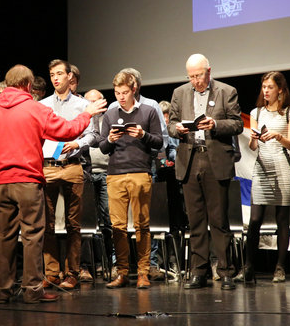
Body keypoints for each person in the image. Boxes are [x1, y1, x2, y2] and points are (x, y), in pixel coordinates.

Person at [0, 64, 107, 304]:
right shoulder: (35, 108)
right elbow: (68, 130)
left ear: (5, 84)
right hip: (27, 182)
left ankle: (3, 290)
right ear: (28, 85)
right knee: (31, 235)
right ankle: (32, 290)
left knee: (3, 236)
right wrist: (87, 112)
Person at [168, 54, 243, 291]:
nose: (195, 81)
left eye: (199, 75)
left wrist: (215, 125)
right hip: (189, 159)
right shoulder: (180, 93)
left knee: (219, 219)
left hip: (215, 160)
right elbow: (170, 124)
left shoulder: (226, 91)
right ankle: (199, 272)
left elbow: (237, 123)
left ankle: (225, 271)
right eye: (191, 76)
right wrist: (177, 129)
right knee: (196, 220)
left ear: (208, 71)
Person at [100, 71, 163, 289]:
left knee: (141, 225)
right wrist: (109, 138)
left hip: (140, 172)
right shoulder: (109, 114)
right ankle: (123, 272)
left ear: (133, 89)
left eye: (124, 92)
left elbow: (159, 142)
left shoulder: (148, 111)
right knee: (117, 226)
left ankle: (143, 272)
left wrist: (142, 135)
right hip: (115, 173)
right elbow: (102, 146)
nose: (121, 97)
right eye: (117, 93)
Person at [237, 71, 290, 284]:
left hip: (282, 168)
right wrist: (255, 139)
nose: (265, 91)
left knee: (283, 220)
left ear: (280, 89)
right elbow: (254, 147)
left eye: (270, 87)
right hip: (262, 168)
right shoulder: (256, 111)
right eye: (263, 87)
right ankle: (248, 267)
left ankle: (280, 267)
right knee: (254, 220)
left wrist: (277, 135)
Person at [40, 59, 96, 289]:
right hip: (49, 167)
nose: (55, 78)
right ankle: (52, 272)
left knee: (74, 223)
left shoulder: (82, 105)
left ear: (69, 76)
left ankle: (72, 272)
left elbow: (92, 135)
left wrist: (77, 144)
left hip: (73, 165)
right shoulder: (42, 104)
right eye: (52, 74)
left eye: (59, 73)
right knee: (47, 222)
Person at [83, 89, 115, 279]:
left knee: (109, 222)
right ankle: (89, 265)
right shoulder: (82, 119)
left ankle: (111, 264)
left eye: (97, 101)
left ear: (103, 102)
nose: (94, 104)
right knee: (86, 224)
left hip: (105, 174)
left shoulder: (108, 120)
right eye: (89, 101)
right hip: (86, 173)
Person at [157, 100, 188, 277]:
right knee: (162, 225)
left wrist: (173, 159)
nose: (165, 120)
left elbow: (178, 156)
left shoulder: (177, 133)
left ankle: (177, 262)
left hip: (178, 183)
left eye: (167, 116)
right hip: (161, 182)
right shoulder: (159, 134)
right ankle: (162, 263)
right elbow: (160, 157)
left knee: (177, 225)